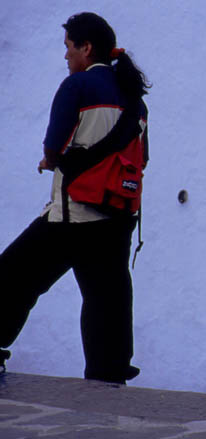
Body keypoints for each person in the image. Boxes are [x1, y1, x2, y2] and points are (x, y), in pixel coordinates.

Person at [0, 12, 150, 384]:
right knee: (107, 295)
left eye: (69, 47)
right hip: (117, 214)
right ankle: (109, 373)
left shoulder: (77, 87)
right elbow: (142, 157)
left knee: (12, 276)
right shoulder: (135, 99)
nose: (66, 56)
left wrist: (52, 161)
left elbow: (54, 146)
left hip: (74, 214)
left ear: (87, 48)